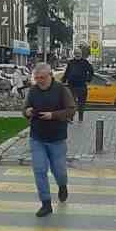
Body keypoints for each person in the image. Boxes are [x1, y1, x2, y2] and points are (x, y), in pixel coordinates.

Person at [23, 62, 77, 217]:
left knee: (59, 170)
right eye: (36, 78)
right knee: (39, 170)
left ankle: (62, 186)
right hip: (37, 137)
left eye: (42, 77)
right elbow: (24, 110)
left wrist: (53, 115)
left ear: (50, 76)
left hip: (57, 138)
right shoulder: (33, 91)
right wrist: (27, 111)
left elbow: (71, 110)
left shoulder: (61, 90)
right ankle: (46, 204)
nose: (39, 80)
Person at [63, 46, 94, 122]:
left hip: (81, 86)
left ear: (81, 54)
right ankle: (71, 118)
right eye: (76, 53)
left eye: (79, 53)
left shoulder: (85, 62)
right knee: (71, 103)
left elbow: (91, 71)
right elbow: (67, 72)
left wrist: (88, 80)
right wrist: (64, 81)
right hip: (71, 85)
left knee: (81, 104)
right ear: (74, 54)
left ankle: (80, 118)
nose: (77, 55)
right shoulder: (71, 62)